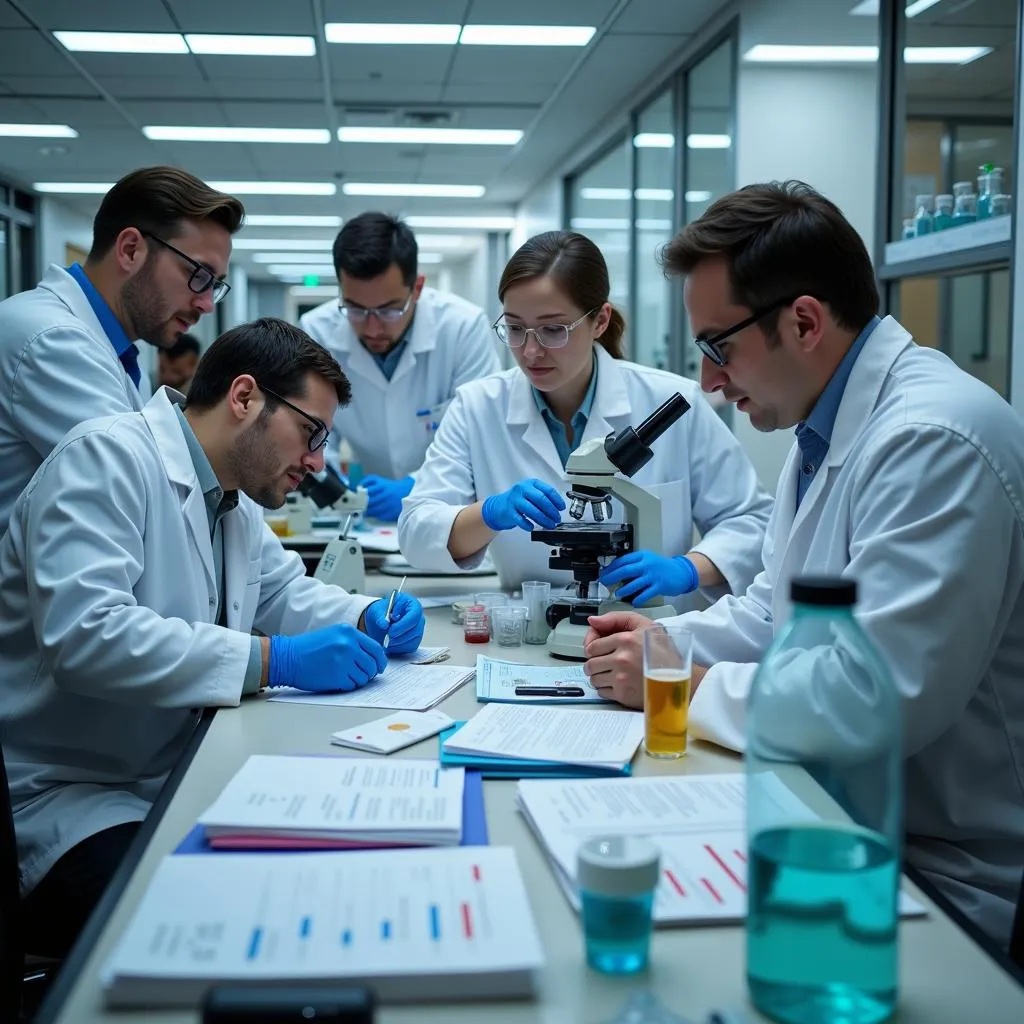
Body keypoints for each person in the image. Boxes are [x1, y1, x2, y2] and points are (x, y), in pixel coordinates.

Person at [583, 181, 1024, 944]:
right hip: (829, 808)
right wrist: (662, 649)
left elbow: (878, 697)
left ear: (806, 321)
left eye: (719, 348)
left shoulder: (936, 438)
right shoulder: (825, 432)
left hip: (938, 866)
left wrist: (689, 691)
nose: (712, 383)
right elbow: (771, 611)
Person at [0, 317, 426, 956]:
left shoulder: (234, 498)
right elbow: (86, 636)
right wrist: (272, 658)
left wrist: (366, 614)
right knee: (207, 921)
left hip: (169, 767)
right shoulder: (104, 457)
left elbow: (282, 593)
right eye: (310, 433)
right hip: (70, 793)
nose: (316, 462)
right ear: (245, 397)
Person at [398, 230, 772, 607]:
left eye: (552, 330)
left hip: (653, 635)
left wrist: (689, 568)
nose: (530, 351)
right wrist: (490, 513)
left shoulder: (671, 403)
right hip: (531, 629)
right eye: (514, 328)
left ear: (600, 321)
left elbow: (752, 521)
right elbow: (416, 532)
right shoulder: (477, 406)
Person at [0, 165, 244, 536]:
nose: (207, 303)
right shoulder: (50, 339)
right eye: (200, 275)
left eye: (216, 285)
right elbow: (152, 487)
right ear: (131, 250)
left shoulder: (120, 350)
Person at [299, 212, 500, 522]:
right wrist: (330, 482)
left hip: (449, 511)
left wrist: (416, 486)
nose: (373, 328)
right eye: (355, 309)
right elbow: (309, 427)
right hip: (367, 517)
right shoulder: (317, 331)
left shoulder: (462, 327)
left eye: (389, 310)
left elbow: (481, 434)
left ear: (416, 288)